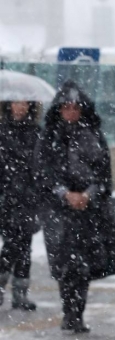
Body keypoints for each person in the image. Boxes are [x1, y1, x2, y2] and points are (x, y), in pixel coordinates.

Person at [33, 80, 115, 333]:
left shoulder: (94, 136)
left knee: (83, 265)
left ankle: (76, 314)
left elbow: (103, 175)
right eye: (66, 107)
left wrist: (87, 195)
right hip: (59, 212)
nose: (71, 112)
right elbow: (43, 173)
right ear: (59, 109)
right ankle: (70, 312)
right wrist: (65, 195)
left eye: (75, 107)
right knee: (68, 265)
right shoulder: (49, 138)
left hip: (90, 212)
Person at [0, 101, 41, 310]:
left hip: (29, 198)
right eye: (16, 102)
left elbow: (41, 164)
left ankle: (20, 294)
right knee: (12, 244)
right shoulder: (2, 131)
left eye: (24, 103)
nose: (20, 107)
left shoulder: (37, 132)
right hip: (7, 198)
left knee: (24, 246)